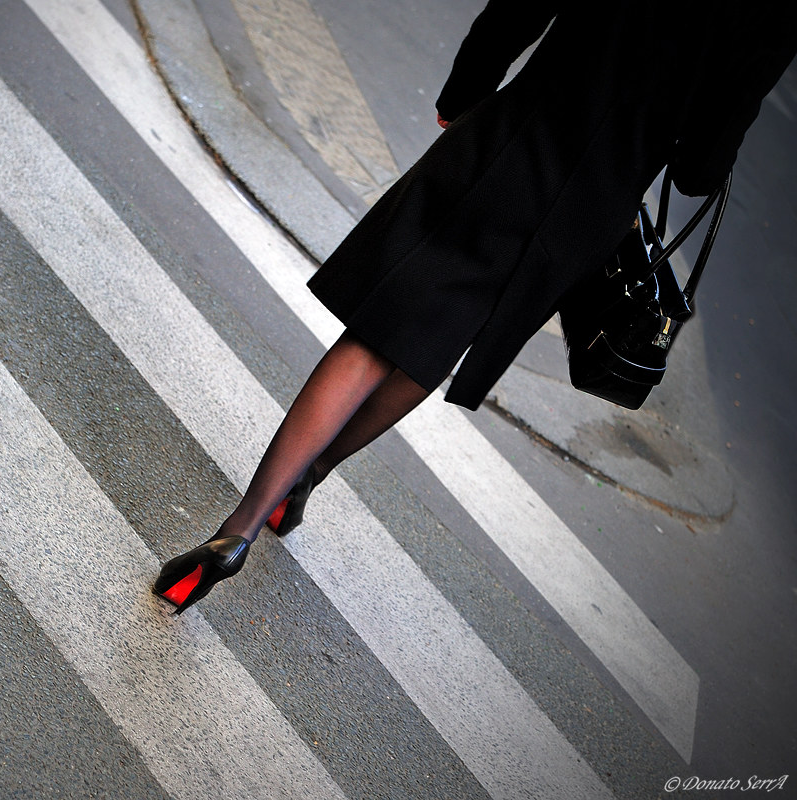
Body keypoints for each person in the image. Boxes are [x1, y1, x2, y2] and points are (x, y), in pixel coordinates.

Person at [154, 0, 797, 614]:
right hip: (585, 213)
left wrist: (464, 92)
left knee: (386, 330)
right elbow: (697, 167)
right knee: (436, 341)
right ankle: (308, 475)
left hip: (519, 140)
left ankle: (238, 530)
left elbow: (521, 6)